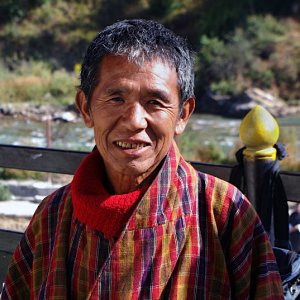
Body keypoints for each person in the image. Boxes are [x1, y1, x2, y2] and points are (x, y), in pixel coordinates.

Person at [1, 19, 283, 299]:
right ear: (85, 108)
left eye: (154, 102)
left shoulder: (225, 215)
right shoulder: (52, 216)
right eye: (116, 99)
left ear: (183, 114)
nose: (135, 121)